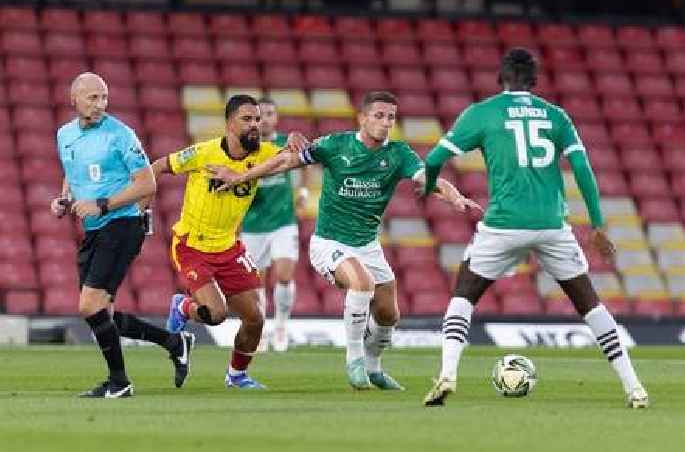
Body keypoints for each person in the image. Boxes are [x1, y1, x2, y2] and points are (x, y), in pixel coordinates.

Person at [420, 48, 649, 408]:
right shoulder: (557, 117)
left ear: (502, 78)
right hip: (552, 226)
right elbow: (584, 172)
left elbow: (434, 159)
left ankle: (447, 373)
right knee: (589, 303)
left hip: (503, 224)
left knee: (463, 294)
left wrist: (430, 185)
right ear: (534, 81)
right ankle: (634, 387)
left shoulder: (482, 113)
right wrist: (598, 225)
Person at [207, 91, 478, 390]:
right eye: (379, 115)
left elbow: (428, 178)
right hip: (330, 243)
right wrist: (240, 177)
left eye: (390, 117)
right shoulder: (334, 145)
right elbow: (284, 163)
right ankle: (354, 360)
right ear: (362, 118)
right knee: (362, 284)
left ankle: (374, 367)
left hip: (368, 246)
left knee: (389, 315)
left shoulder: (399, 154)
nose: (385, 122)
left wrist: (455, 197)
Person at [52, 72, 194, 399]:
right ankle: (174, 342)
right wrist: (64, 200)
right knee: (103, 313)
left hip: (123, 223)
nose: (101, 104)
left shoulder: (121, 134)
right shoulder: (64, 135)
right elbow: (71, 172)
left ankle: (119, 382)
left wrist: (102, 205)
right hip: (94, 228)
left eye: (104, 97)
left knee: (90, 305)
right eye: (93, 98)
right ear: (74, 99)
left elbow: (147, 184)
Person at [153, 95, 293, 389]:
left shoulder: (265, 152)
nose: (255, 124)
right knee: (216, 315)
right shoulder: (203, 153)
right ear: (229, 124)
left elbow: (294, 156)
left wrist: (295, 140)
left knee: (255, 318)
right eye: (247, 119)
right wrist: (142, 205)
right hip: (192, 245)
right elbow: (158, 167)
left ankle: (237, 375)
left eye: (257, 119)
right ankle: (183, 307)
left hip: (228, 247)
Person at [240, 96, 309, 352]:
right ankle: (260, 329)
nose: (265, 119)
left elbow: (305, 163)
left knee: (284, 274)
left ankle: (281, 325)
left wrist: (302, 192)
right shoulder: (246, 147)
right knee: (255, 281)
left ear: (276, 118)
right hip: (252, 224)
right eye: (260, 115)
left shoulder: (286, 145)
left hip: (283, 221)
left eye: (270, 113)